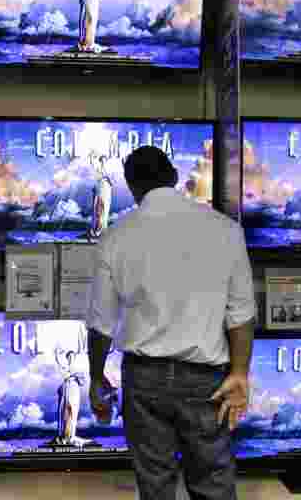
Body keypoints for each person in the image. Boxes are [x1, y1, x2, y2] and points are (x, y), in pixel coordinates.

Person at [87, 146, 256, 500]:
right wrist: (239, 373)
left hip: (144, 379)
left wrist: (96, 377)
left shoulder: (115, 236)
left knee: (155, 483)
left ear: (132, 187)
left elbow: (101, 324)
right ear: (175, 178)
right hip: (206, 379)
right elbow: (240, 313)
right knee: (212, 481)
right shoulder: (226, 230)